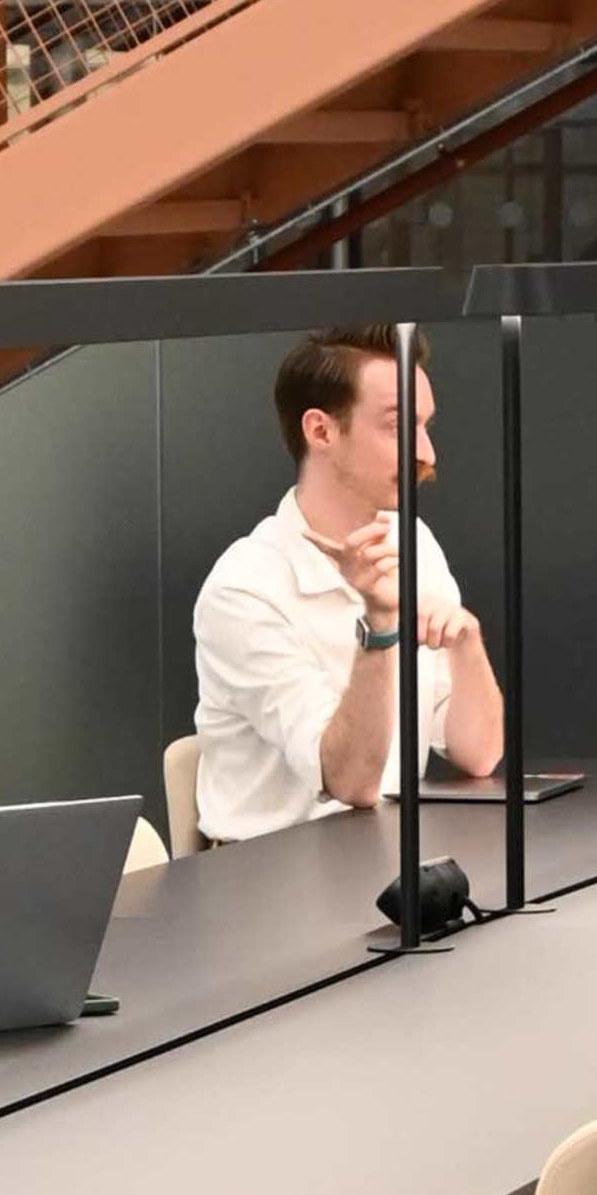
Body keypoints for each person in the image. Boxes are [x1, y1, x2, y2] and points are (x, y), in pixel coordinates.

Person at [193, 325, 505, 844]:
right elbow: (351, 781)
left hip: (387, 851)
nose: (426, 453)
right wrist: (380, 626)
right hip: (268, 877)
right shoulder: (243, 588)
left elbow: (480, 753)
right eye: (398, 427)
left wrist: (467, 644)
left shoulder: (415, 543)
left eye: (426, 427)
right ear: (320, 431)